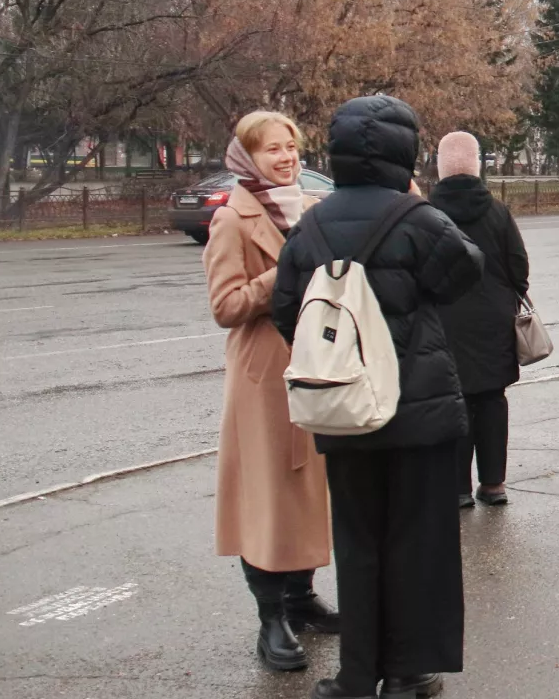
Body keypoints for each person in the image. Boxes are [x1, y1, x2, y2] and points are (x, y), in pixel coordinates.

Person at [272, 95, 484, 699]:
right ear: (404, 153)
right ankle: (410, 675)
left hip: (345, 412)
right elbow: (463, 274)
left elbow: (287, 309)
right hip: (417, 412)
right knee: (417, 544)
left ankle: (356, 677)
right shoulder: (416, 218)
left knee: (358, 544)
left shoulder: (311, 223)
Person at [203, 110, 337, 674]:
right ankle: (270, 619)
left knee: (308, 490)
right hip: (261, 378)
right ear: (246, 158)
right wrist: (284, 267)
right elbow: (225, 307)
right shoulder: (232, 219)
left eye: (290, 147)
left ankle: (301, 599)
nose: (286, 158)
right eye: (271, 151)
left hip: (313, 364)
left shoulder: (309, 207)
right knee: (264, 500)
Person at [429, 131, 528, 509]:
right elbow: (519, 266)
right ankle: (493, 484)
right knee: (491, 400)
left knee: (452, 400)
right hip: (493, 318)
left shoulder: (426, 211)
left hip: (442, 320)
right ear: (476, 164)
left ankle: (456, 488)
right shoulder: (498, 211)